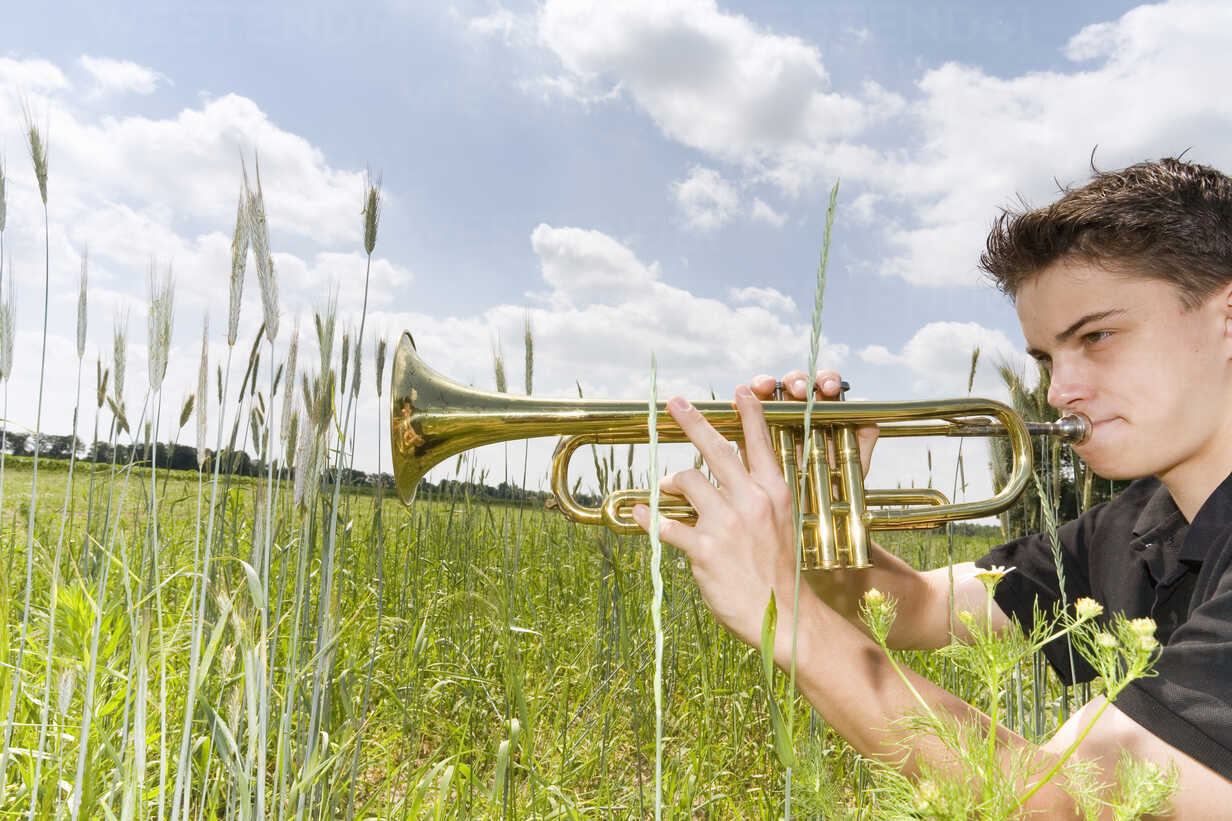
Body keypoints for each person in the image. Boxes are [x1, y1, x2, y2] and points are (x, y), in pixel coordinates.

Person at [630, 157, 1232, 816]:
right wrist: (815, 518)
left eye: (1096, 336)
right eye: (1046, 359)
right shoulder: (1140, 520)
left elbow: (1061, 804)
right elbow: (914, 605)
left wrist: (784, 613)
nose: (1059, 391)